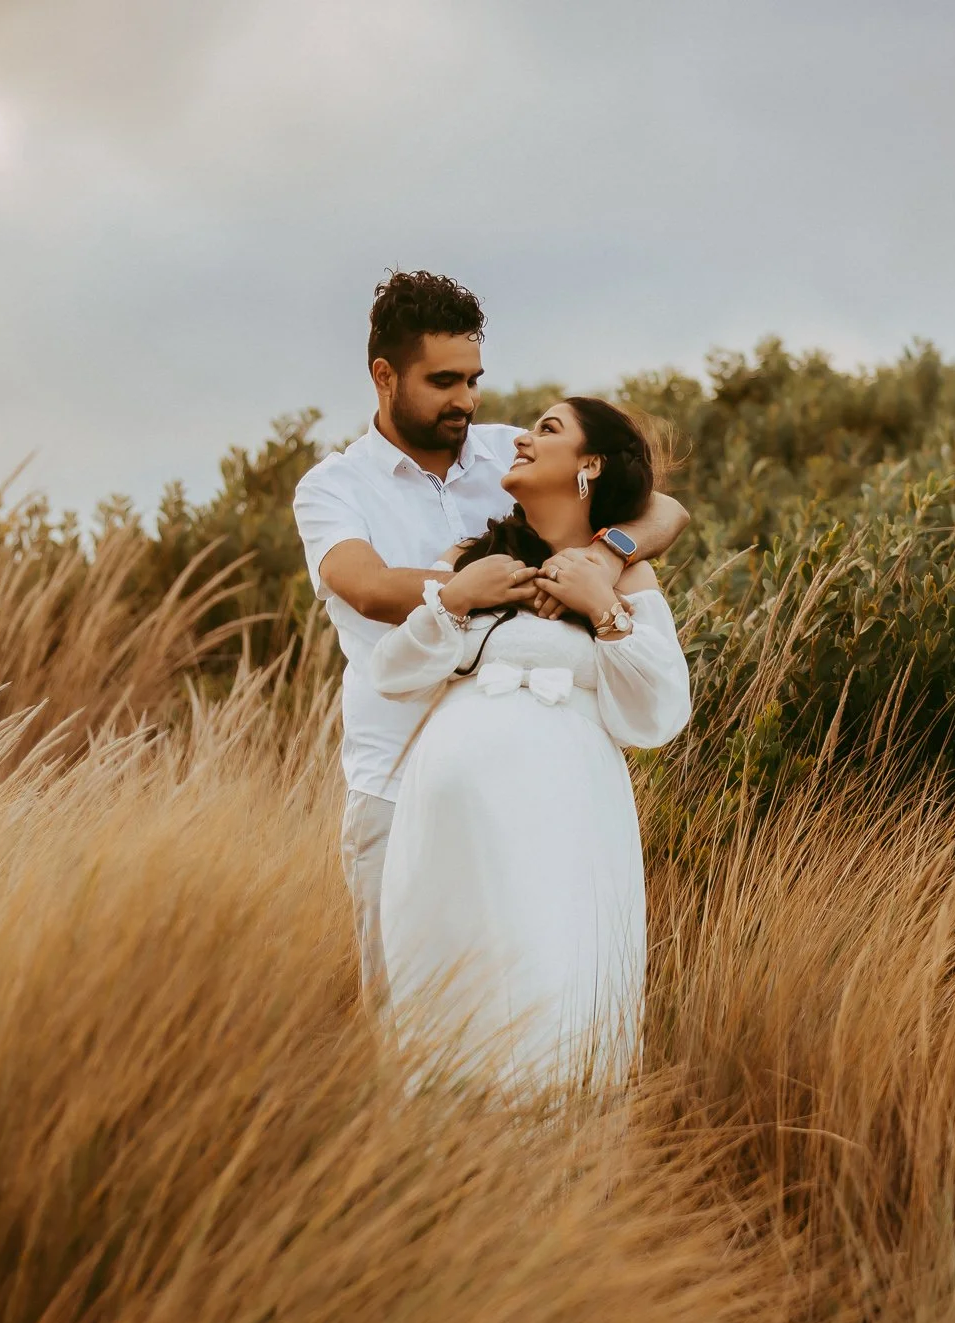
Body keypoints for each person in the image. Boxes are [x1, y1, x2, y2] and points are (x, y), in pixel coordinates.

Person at [293, 272, 689, 1004]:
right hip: (396, 779)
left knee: (540, 988)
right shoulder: (334, 487)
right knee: (410, 1010)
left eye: (474, 379)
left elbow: (662, 507)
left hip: (527, 793)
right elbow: (368, 587)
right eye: (444, 381)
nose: (467, 402)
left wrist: (602, 558)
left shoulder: (510, 454)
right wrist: (465, 591)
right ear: (385, 375)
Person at [366, 397, 690, 1084]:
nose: (522, 437)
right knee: (445, 1015)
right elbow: (391, 674)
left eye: (547, 429)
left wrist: (600, 605)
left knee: (554, 994)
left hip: (560, 826)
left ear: (590, 465)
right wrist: (456, 596)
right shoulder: (473, 559)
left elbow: (660, 711)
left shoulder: (625, 574)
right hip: (445, 838)